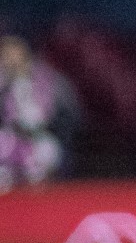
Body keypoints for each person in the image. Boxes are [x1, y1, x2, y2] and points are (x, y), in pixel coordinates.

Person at [0, 33, 81, 192]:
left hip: (42, 137)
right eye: (6, 54)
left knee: (48, 151)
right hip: (10, 136)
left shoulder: (49, 79)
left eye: (15, 52)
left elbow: (68, 113)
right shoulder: (3, 81)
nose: (11, 58)